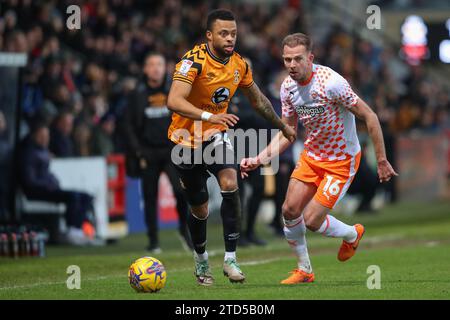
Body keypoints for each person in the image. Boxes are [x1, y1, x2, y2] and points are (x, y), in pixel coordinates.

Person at [240, 33, 397, 284]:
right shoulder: (287, 88)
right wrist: (259, 158)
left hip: (341, 161)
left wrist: (381, 160)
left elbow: (370, 116)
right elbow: (288, 133)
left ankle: (351, 234)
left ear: (310, 58)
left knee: (312, 220)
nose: (291, 65)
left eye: (297, 59)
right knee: (289, 210)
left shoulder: (332, 83)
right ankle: (304, 270)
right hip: (312, 156)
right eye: (287, 59)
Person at [167, 9, 296, 286]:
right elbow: (174, 101)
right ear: (209, 35)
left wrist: (282, 125)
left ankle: (230, 259)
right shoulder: (192, 62)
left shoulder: (239, 65)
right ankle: (201, 261)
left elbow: (258, 100)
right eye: (224, 33)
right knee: (199, 209)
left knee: (230, 182)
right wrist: (209, 116)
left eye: (234, 34)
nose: (230, 38)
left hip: (215, 137)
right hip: (184, 141)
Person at [124, 52, 193, 253]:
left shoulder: (175, 90)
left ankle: (184, 231)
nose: (155, 68)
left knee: (181, 191)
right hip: (147, 152)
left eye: (159, 64)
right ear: (145, 69)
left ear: (165, 68)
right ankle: (153, 240)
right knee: (150, 196)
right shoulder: (137, 93)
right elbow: (128, 125)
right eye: (151, 64)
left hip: (171, 150)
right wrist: (137, 151)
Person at [18, 122, 96, 245]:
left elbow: (45, 173)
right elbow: (30, 181)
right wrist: (48, 184)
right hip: (37, 191)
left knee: (86, 196)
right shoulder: (28, 153)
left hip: (47, 188)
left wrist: (53, 180)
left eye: (46, 136)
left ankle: (79, 229)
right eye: (42, 136)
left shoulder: (41, 151)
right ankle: (72, 231)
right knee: (73, 196)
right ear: (34, 136)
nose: (45, 139)